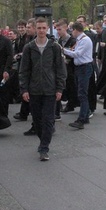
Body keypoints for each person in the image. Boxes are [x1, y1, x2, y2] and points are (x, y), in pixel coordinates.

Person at [18, 17, 66, 160]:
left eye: (43, 28)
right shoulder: (29, 48)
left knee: (48, 119)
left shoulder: (54, 47)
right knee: (37, 120)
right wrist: (24, 89)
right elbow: (24, 70)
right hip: (34, 90)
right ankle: (42, 139)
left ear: (47, 29)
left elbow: (60, 69)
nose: (41, 31)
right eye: (38, 28)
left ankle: (44, 147)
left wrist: (60, 88)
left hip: (50, 90)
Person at [63, 21, 95, 129]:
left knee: (82, 94)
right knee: (81, 93)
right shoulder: (79, 39)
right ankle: (84, 116)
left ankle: (81, 119)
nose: (71, 33)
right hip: (80, 68)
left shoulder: (85, 40)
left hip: (84, 67)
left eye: (72, 30)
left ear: (76, 30)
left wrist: (63, 50)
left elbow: (77, 54)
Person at [0, 21, 14, 115]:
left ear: (0, 29)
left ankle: (4, 113)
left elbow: (10, 56)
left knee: (3, 92)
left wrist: (6, 70)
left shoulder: (6, 41)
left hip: (2, 69)